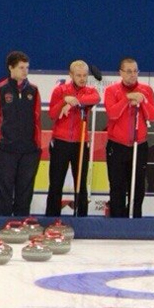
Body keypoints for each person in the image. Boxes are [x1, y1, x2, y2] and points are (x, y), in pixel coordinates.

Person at [0, 51, 42, 216]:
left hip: (29, 150)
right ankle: (4, 222)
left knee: (25, 191)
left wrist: (38, 145)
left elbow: (37, 119)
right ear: (11, 68)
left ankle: (22, 222)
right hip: (6, 149)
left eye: (27, 67)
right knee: (5, 189)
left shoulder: (33, 90)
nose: (25, 71)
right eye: (21, 67)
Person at [104, 58, 154, 218]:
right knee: (117, 186)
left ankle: (135, 219)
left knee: (138, 186)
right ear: (120, 73)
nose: (133, 74)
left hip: (139, 145)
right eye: (128, 71)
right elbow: (112, 114)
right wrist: (127, 99)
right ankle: (117, 221)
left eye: (135, 71)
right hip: (117, 145)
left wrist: (142, 102)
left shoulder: (146, 90)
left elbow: (153, 115)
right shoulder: (112, 90)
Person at [45, 61, 100, 216]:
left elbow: (96, 98)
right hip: (60, 143)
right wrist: (64, 100)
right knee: (56, 184)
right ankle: (52, 218)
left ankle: (81, 218)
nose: (82, 79)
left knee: (81, 184)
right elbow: (52, 114)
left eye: (85, 75)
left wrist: (74, 102)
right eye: (78, 75)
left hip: (80, 143)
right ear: (71, 75)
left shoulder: (90, 91)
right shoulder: (60, 90)